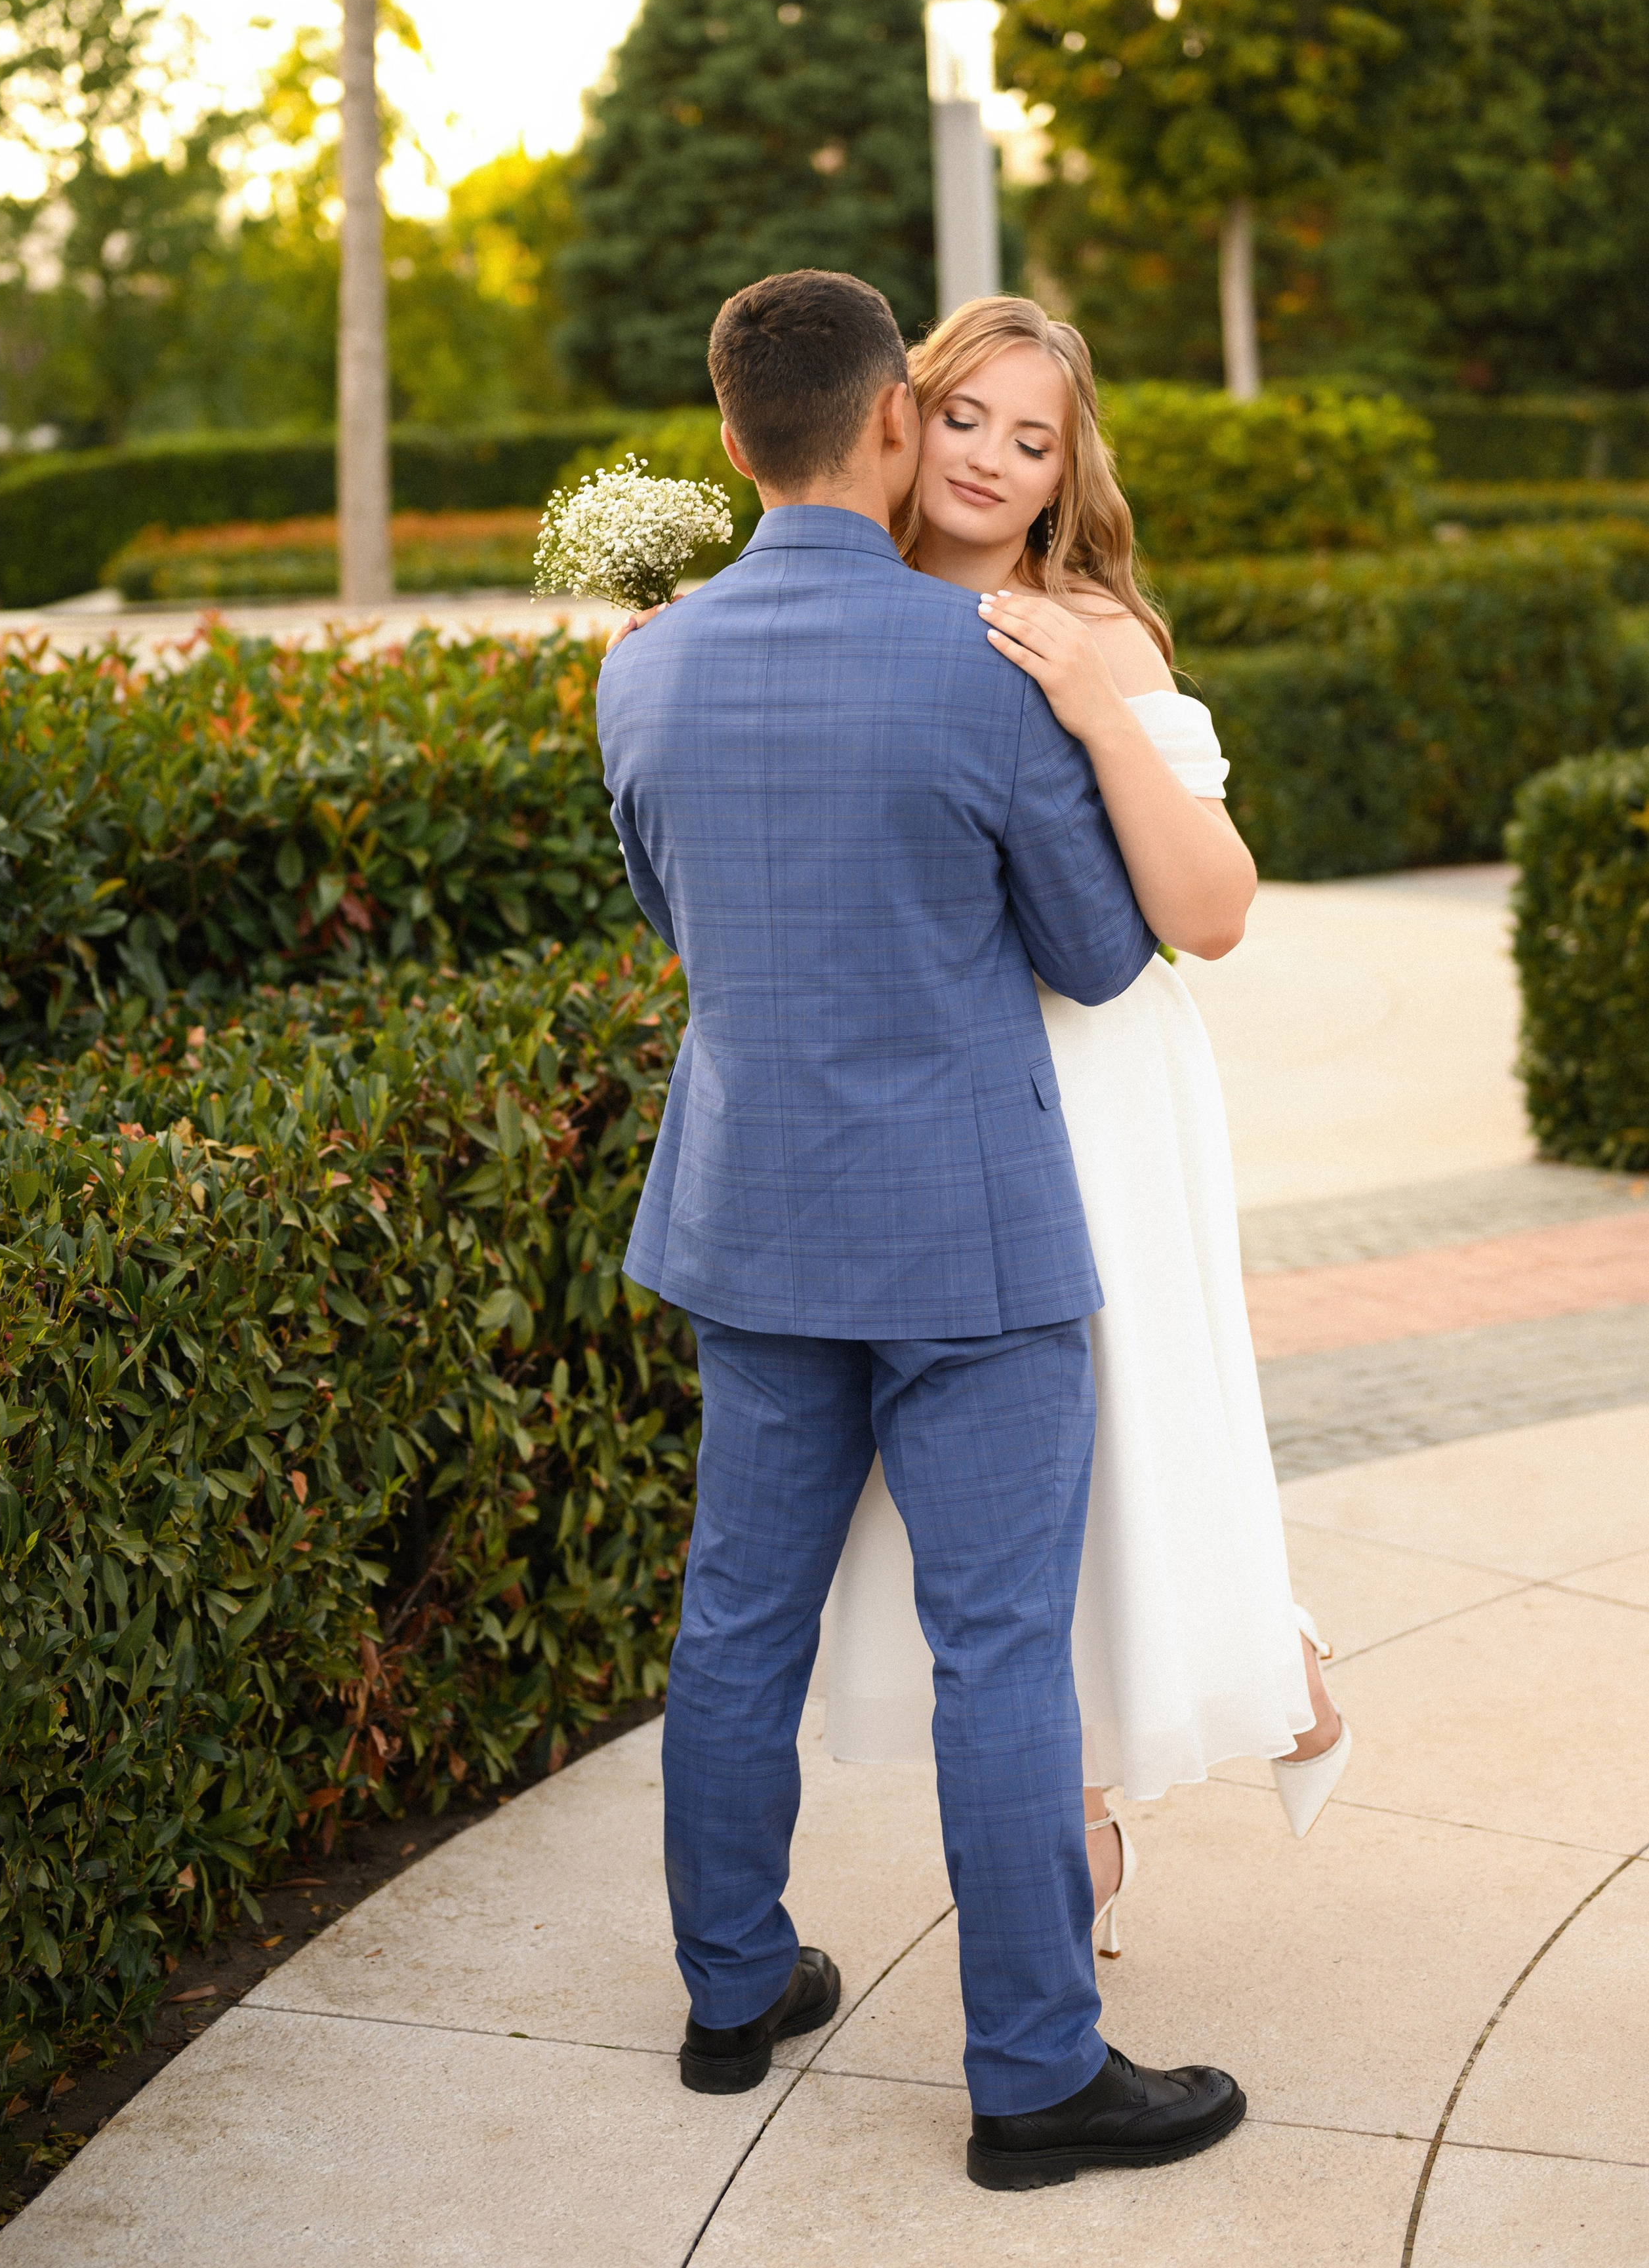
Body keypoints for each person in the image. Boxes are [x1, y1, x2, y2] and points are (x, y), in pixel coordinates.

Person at [596, 269, 1246, 2187]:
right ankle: (1034, 2078)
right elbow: (1095, 948)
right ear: (895, 418)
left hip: (748, 1217)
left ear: (731, 439)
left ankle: (733, 1997)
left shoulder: (640, 663)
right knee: (998, 1652)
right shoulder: (985, 663)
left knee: (735, 1625)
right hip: (969, 1237)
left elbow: (677, 913)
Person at [817, 297, 1353, 1951]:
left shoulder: (1092, 631)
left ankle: (1244, 1685)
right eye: (963, 417)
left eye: (1029, 439)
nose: (987, 459)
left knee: (1113, 1431)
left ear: (1063, 478)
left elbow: (1213, 911)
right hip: (913, 1104)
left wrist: (1094, 710)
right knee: (955, 1490)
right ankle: (1077, 1821)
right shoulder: (842, 605)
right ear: (902, 422)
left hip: (1097, 1088)